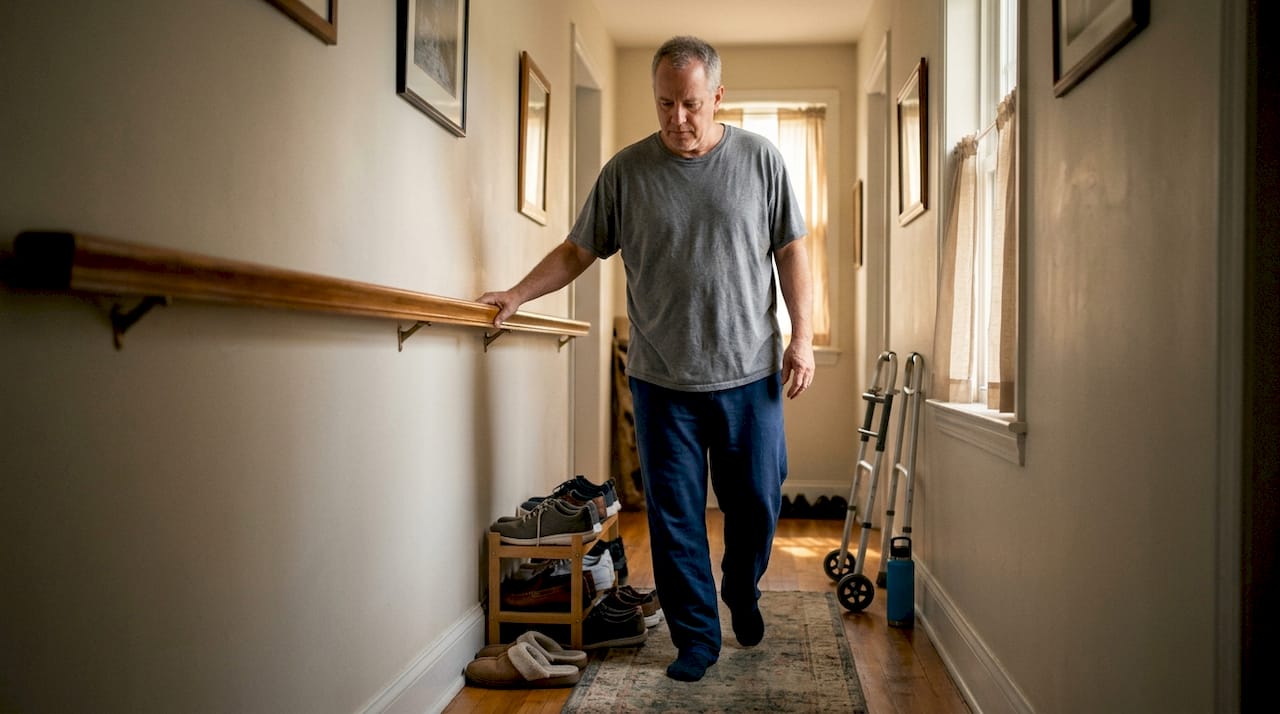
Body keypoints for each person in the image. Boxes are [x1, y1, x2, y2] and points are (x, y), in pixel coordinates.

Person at [478, 35, 814, 683]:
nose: (677, 120)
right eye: (664, 104)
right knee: (674, 516)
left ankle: (741, 588)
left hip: (751, 376)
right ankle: (697, 639)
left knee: (758, 503)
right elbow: (578, 250)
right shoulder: (626, 173)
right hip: (662, 381)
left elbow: (793, 250)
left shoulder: (761, 161)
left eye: (690, 104)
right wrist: (518, 294)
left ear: (718, 96)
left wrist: (803, 336)